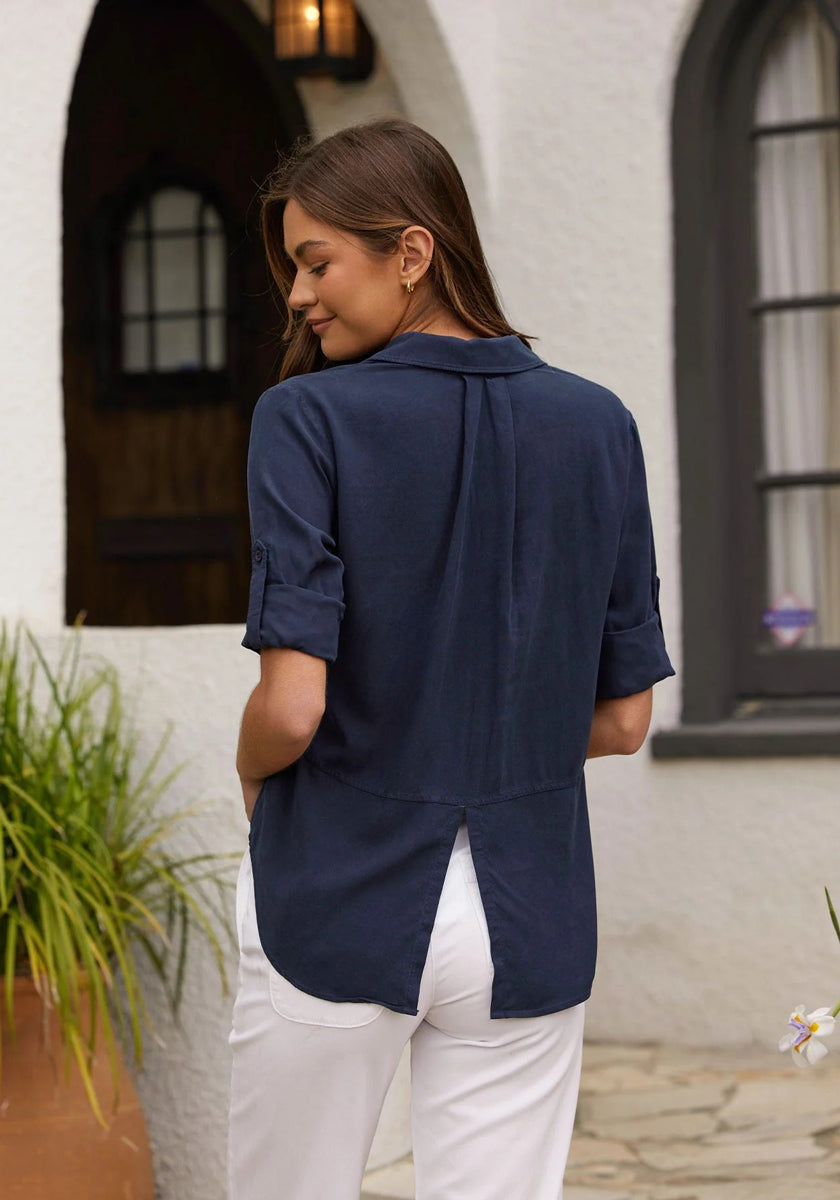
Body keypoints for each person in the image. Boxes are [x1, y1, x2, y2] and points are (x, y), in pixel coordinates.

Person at [227, 116, 676, 1200]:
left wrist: (250, 771)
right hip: (531, 911)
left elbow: (291, 708)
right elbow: (624, 721)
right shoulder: (600, 424)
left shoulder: (304, 419)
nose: (299, 295)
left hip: (338, 880)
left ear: (414, 253)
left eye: (317, 262)